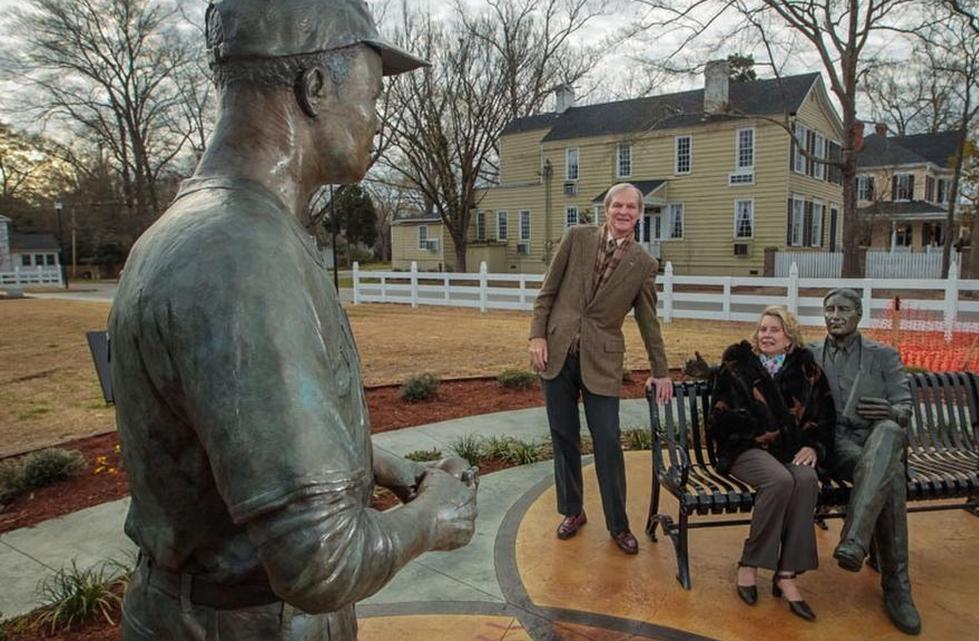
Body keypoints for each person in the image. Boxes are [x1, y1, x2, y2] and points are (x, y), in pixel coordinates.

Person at [108, 2, 477, 639]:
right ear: (315, 88)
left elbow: (232, 442)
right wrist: (434, 517)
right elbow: (321, 564)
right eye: (373, 91)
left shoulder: (193, 230)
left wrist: (383, 468)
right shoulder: (247, 257)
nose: (376, 116)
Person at [528, 182, 672, 555]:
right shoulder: (576, 238)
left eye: (631, 208)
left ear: (639, 214)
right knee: (563, 436)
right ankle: (573, 511)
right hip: (557, 353)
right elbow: (547, 293)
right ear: (606, 209)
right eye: (617, 206)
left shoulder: (642, 264)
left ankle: (618, 524)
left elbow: (648, 321)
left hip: (603, 359)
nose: (623, 213)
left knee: (608, 440)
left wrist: (661, 370)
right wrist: (537, 337)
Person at [703, 307, 834, 621]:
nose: (767, 335)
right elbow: (718, 419)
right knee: (779, 480)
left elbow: (824, 416)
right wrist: (759, 428)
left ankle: (786, 574)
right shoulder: (736, 366)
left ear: (789, 337)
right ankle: (749, 563)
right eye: (763, 329)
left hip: (790, 450)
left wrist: (812, 445)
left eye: (775, 330)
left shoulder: (807, 370)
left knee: (803, 479)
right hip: (744, 449)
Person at [809, 288, 922, 635]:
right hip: (830, 445)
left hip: (870, 441)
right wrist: (714, 371)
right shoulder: (809, 353)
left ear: (859, 314)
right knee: (891, 477)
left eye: (843, 309)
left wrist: (891, 411)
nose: (834, 315)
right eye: (829, 309)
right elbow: (765, 371)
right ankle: (895, 584)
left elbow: (904, 408)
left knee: (888, 434)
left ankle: (857, 544)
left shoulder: (883, 356)